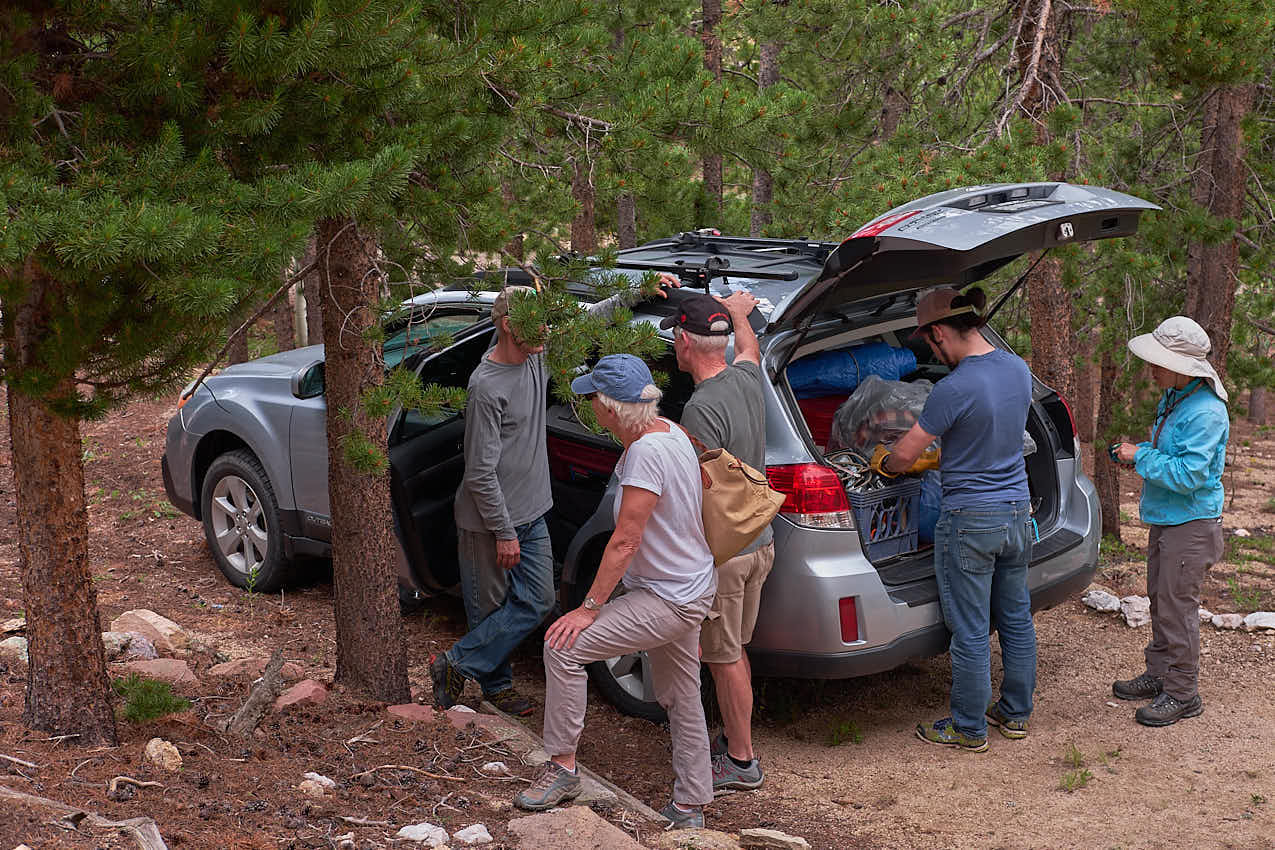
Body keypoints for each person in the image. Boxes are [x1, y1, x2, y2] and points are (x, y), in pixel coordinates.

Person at [433, 277, 677, 717]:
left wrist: (638, 290)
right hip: (488, 521)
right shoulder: (486, 387)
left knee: (539, 600)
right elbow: (480, 472)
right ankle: (497, 687)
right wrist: (504, 532)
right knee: (489, 610)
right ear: (509, 325)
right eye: (538, 324)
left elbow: (587, 323)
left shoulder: (535, 357)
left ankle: (458, 662)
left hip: (533, 512)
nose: (548, 331)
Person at [512, 354, 717, 830]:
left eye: (592, 399)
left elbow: (625, 539)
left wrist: (588, 608)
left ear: (609, 408)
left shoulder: (645, 452)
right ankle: (690, 806)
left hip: (668, 596)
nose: (586, 406)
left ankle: (562, 768)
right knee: (682, 695)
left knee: (562, 647)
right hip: (692, 585)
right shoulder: (669, 430)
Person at [873, 286, 1035, 752]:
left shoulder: (954, 387)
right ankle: (1014, 714)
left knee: (970, 629)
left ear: (940, 332)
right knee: (1016, 617)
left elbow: (904, 454)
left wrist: (888, 463)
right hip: (1017, 513)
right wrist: (945, 458)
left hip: (970, 521)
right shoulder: (1017, 369)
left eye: (930, 344)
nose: (933, 352)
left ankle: (968, 727)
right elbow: (990, 434)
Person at [660, 290, 773, 792]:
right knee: (735, 650)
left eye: (675, 338)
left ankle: (741, 761)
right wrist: (737, 315)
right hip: (761, 543)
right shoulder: (747, 377)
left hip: (725, 555)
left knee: (723, 658)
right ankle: (737, 745)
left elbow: (694, 491)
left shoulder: (700, 411)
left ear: (684, 342)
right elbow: (749, 349)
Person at [1110, 316, 1228, 727]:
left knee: (1178, 607)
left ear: (1182, 366)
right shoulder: (1177, 398)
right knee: (1161, 600)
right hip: (1170, 519)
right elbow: (1174, 457)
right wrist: (1140, 451)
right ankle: (1160, 674)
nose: (1152, 368)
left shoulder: (1207, 412)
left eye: (1159, 361)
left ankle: (1183, 693)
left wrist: (1138, 456)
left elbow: (1190, 475)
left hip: (1191, 525)